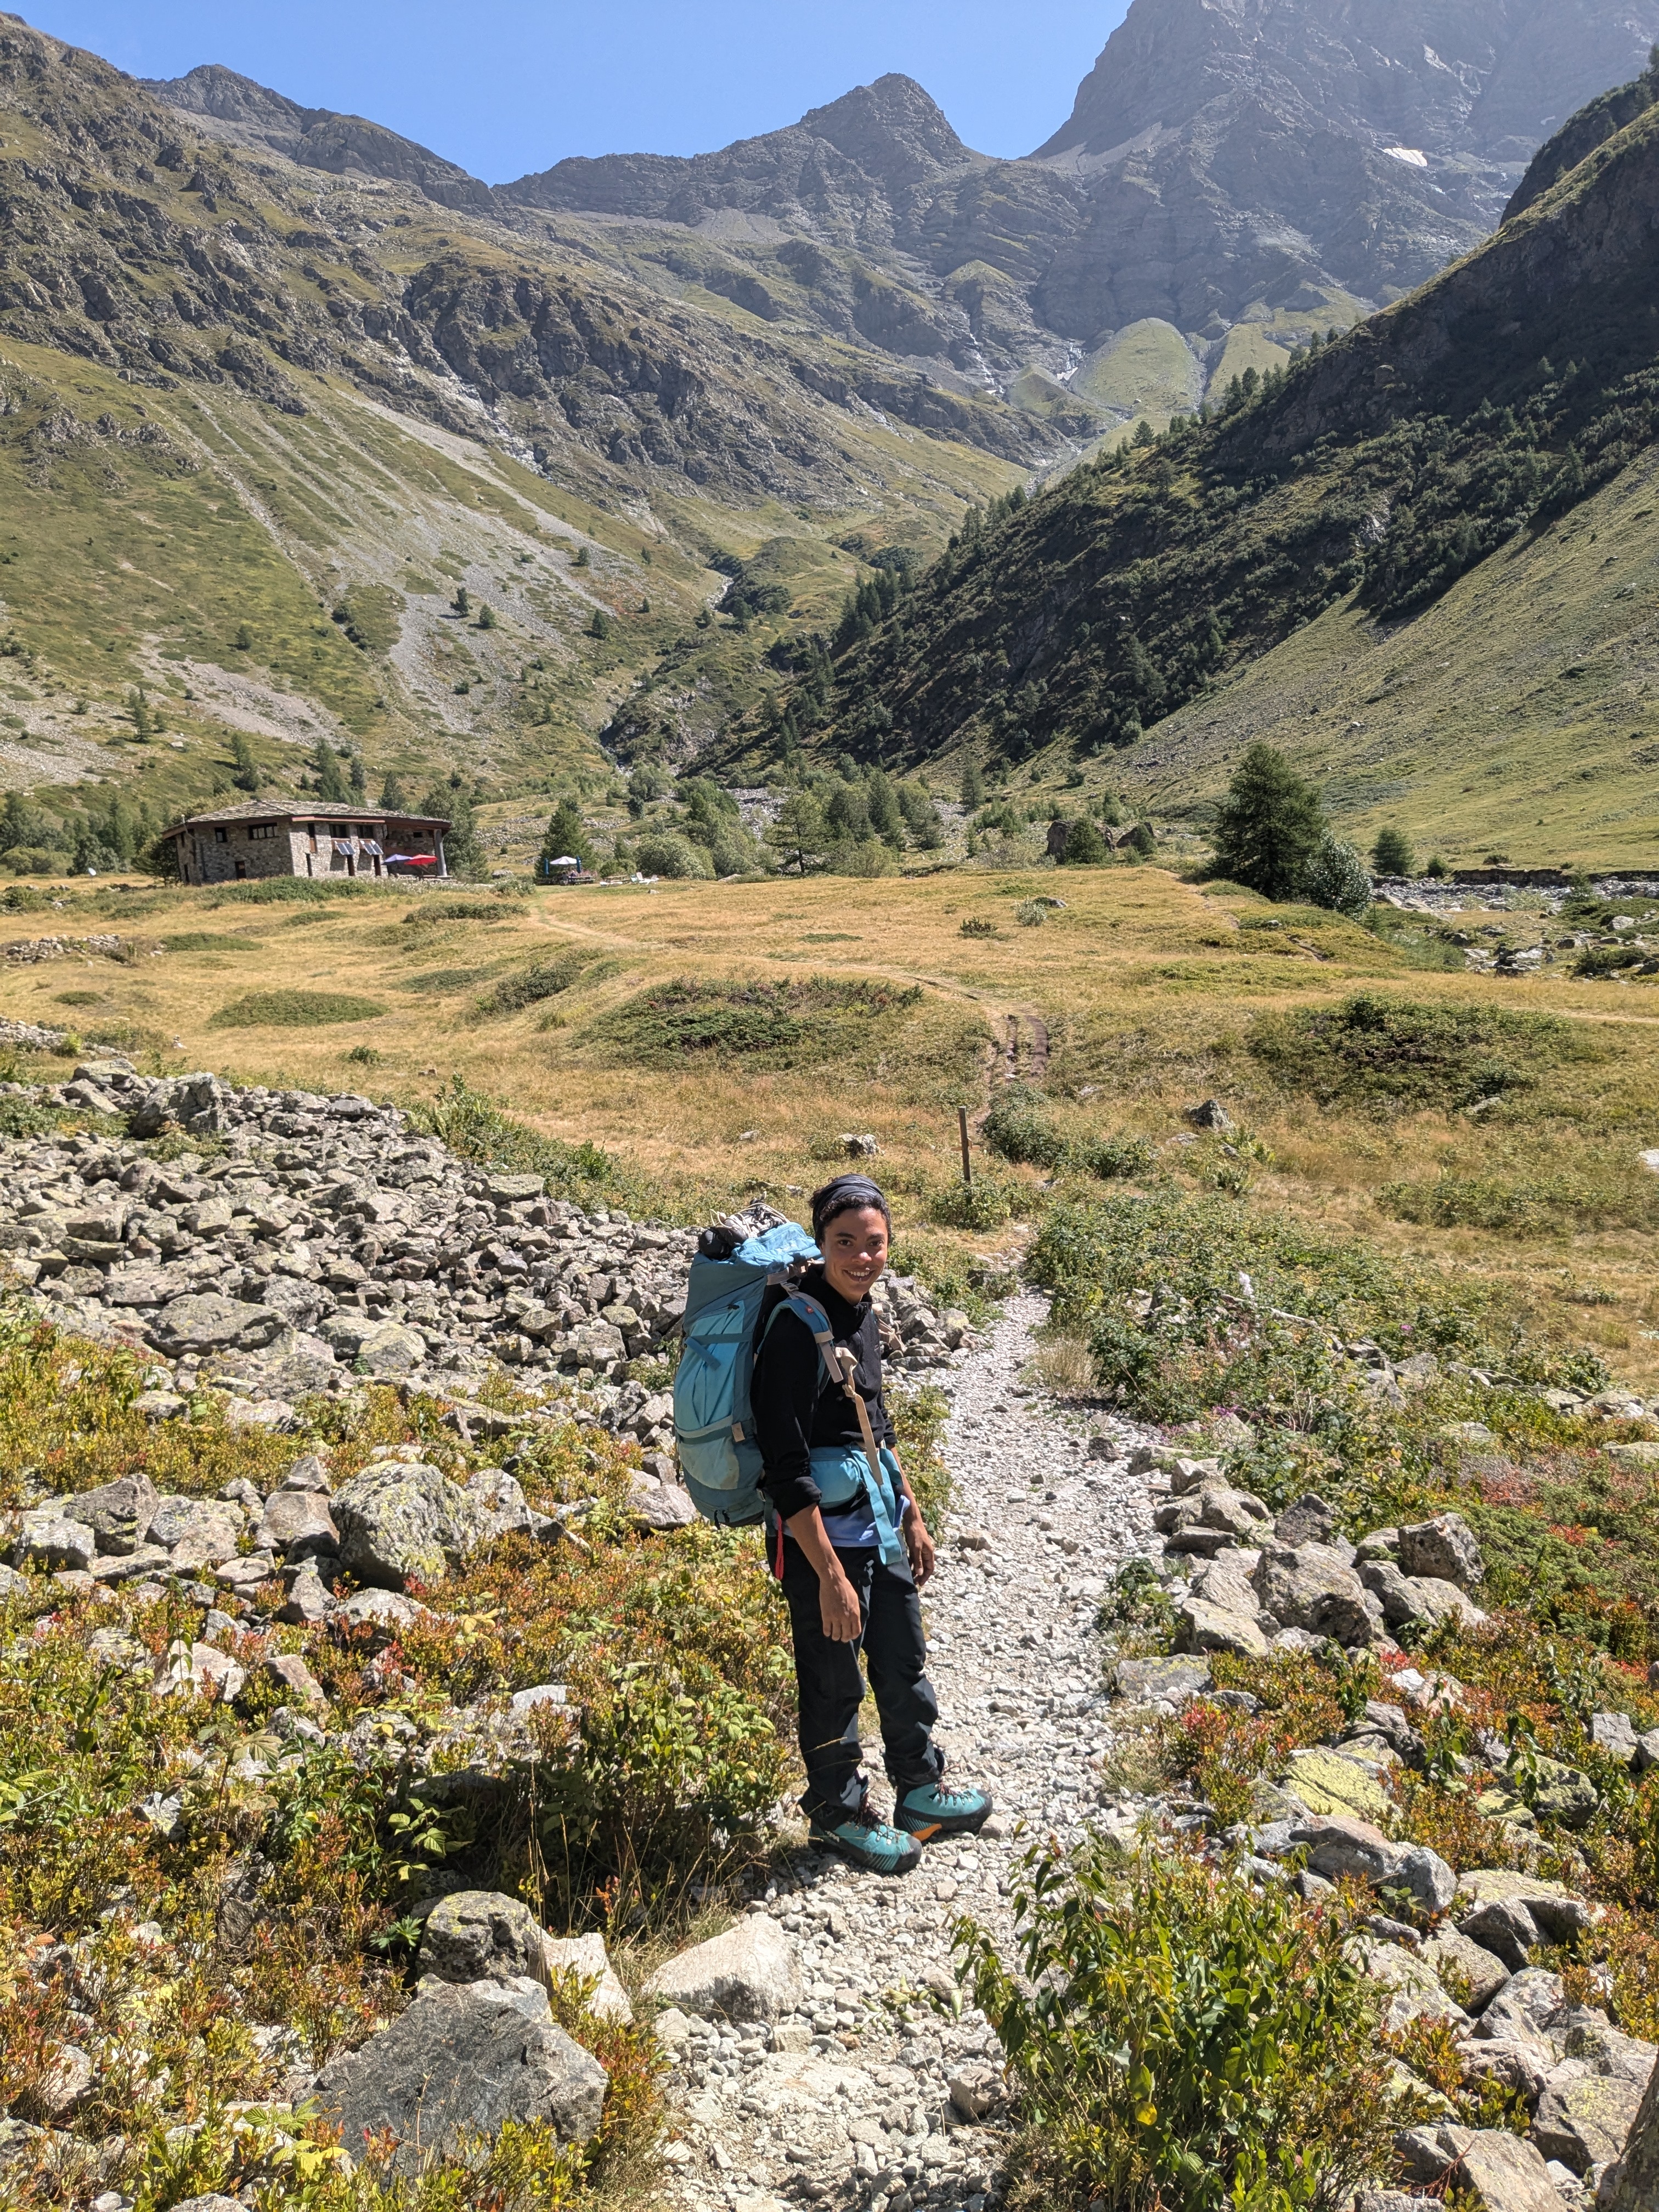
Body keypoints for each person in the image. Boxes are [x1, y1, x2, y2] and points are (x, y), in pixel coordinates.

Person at [751, 1172, 991, 1876]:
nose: (862, 1256)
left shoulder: (861, 1315)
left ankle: (919, 1792)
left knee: (903, 1661)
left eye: (875, 1242)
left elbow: (874, 1429)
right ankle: (838, 1814)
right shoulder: (795, 1329)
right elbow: (785, 1465)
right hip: (820, 1546)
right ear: (821, 1243)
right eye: (845, 1242)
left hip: (880, 1529)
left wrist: (912, 1513)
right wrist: (828, 1575)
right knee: (833, 1682)